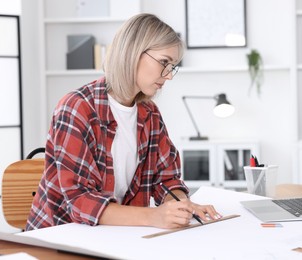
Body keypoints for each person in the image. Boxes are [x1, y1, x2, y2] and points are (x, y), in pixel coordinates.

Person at [26, 13, 222, 231]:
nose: (169, 76)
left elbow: (167, 179)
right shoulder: (77, 108)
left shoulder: (149, 114)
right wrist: (154, 217)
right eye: (164, 62)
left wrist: (181, 206)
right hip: (59, 237)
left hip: (114, 236)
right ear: (134, 53)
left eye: (172, 66)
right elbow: (80, 202)